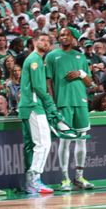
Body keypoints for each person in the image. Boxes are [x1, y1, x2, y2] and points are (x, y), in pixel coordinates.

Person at [46, 27, 95, 191]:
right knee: (65, 140)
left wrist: (81, 74)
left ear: (73, 37)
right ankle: (65, 179)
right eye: (61, 35)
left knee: (82, 139)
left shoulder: (80, 57)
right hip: (63, 103)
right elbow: (49, 81)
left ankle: (79, 178)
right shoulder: (52, 56)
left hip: (81, 102)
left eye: (66, 34)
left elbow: (89, 83)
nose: (63, 37)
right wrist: (52, 103)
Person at [18, 34, 56, 195]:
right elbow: (39, 87)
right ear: (34, 42)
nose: (45, 43)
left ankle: (31, 181)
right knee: (43, 143)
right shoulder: (34, 60)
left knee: (36, 144)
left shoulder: (38, 60)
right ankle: (34, 179)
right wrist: (49, 104)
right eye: (42, 40)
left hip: (32, 106)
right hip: (34, 106)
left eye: (48, 41)